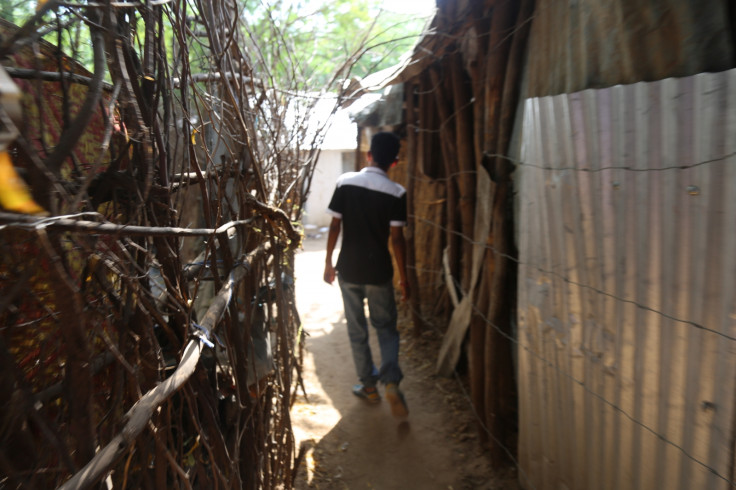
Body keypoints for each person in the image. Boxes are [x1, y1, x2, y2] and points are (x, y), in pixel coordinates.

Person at [323, 131, 410, 418]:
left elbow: (335, 226)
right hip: (379, 272)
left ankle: (368, 386)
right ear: (394, 163)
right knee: (385, 328)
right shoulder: (397, 193)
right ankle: (392, 382)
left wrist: (328, 262)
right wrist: (404, 277)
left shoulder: (345, 183)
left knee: (356, 328)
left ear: (368, 155)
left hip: (348, 269)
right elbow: (397, 240)